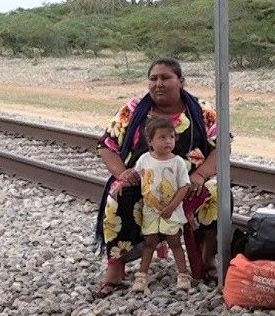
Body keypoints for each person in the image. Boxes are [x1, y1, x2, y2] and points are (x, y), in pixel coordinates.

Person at [94, 58, 221, 298]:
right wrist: (123, 173)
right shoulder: (132, 110)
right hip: (143, 181)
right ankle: (115, 270)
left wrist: (202, 175)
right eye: (153, 79)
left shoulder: (202, 111)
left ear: (181, 81)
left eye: (166, 78)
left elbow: (221, 146)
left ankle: (208, 262)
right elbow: (107, 145)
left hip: (188, 182)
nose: (158, 84)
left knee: (216, 193)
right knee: (117, 196)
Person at [132, 115, 192, 293]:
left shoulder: (177, 162)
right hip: (151, 211)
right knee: (150, 242)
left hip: (172, 211)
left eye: (171, 137)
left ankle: (182, 274)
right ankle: (142, 276)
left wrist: (172, 207)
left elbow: (184, 186)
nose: (168, 141)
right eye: (162, 137)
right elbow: (136, 177)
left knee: (175, 241)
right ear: (150, 141)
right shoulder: (144, 160)